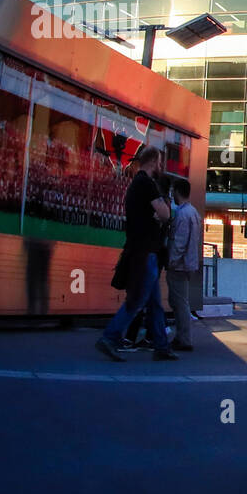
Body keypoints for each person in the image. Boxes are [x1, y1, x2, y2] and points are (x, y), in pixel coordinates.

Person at [96, 145, 176, 362]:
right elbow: (165, 213)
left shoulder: (137, 184)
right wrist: (161, 213)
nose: (161, 166)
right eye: (160, 162)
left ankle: (161, 346)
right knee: (138, 299)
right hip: (145, 252)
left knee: (154, 303)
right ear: (152, 162)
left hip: (142, 249)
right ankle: (110, 337)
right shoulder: (146, 183)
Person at [165, 178, 202, 351]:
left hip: (179, 265)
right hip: (189, 263)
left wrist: (171, 260)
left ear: (177, 192)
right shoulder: (194, 212)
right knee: (182, 301)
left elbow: (179, 242)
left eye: (173, 191)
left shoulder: (182, 214)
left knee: (178, 302)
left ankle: (183, 338)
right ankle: (182, 337)